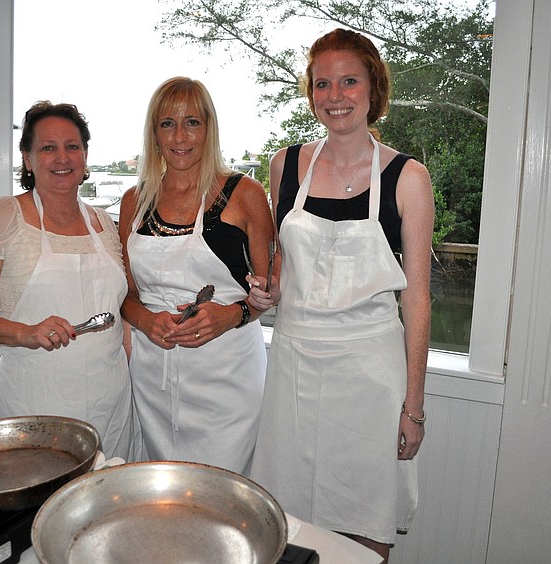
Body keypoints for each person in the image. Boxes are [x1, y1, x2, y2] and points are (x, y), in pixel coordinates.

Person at [249, 29, 434, 562]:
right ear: (310, 94)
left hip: (370, 374)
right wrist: (268, 292)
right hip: (294, 367)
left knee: (366, 514)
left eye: (349, 81)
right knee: (286, 517)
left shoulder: (407, 177)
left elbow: (416, 298)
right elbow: (283, 269)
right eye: (322, 84)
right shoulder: (285, 166)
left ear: (373, 89)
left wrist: (414, 408)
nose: (335, 96)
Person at [0, 101, 139, 461]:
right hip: (36, 397)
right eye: (48, 148)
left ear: (85, 157)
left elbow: (119, 307)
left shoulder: (104, 223)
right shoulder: (3, 216)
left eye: (72, 147)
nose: (62, 158)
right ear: (27, 158)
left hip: (111, 397)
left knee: (106, 499)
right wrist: (26, 332)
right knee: (43, 498)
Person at [118, 76, 276, 476]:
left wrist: (229, 315)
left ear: (209, 128)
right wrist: (148, 321)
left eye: (192, 122)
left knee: (225, 494)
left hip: (228, 381)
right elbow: (126, 294)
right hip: (154, 377)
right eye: (167, 123)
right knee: (164, 491)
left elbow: (268, 292)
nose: (180, 135)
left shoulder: (245, 194)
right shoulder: (134, 202)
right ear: (153, 134)